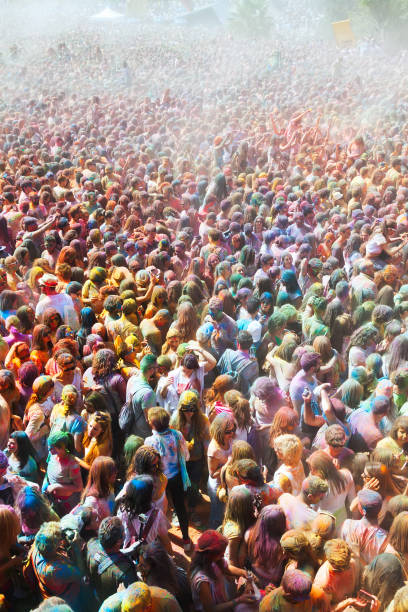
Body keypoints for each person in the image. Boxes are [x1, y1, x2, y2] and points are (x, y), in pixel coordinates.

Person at [144, 407, 191, 551]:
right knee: (180, 507)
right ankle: (186, 539)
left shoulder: (150, 441)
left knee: (159, 510)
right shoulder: (177, 435)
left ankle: (161, 538)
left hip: (160, 480)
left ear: (152, 424)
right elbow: (186, 455)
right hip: (177, 476)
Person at [116, 474, 172, 553]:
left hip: (129, 554)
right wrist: (171, 554)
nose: (155, 488)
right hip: (148, 558)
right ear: (148, 496)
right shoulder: (157, 515)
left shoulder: (123, 511)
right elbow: (165, 539)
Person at [86, 517, 136, 605]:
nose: (124, 533)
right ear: (119, 542)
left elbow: (105, 555)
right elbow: (133, 602)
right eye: (123, 532)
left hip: (100, 599)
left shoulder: (91, 545)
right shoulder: (126, 572)